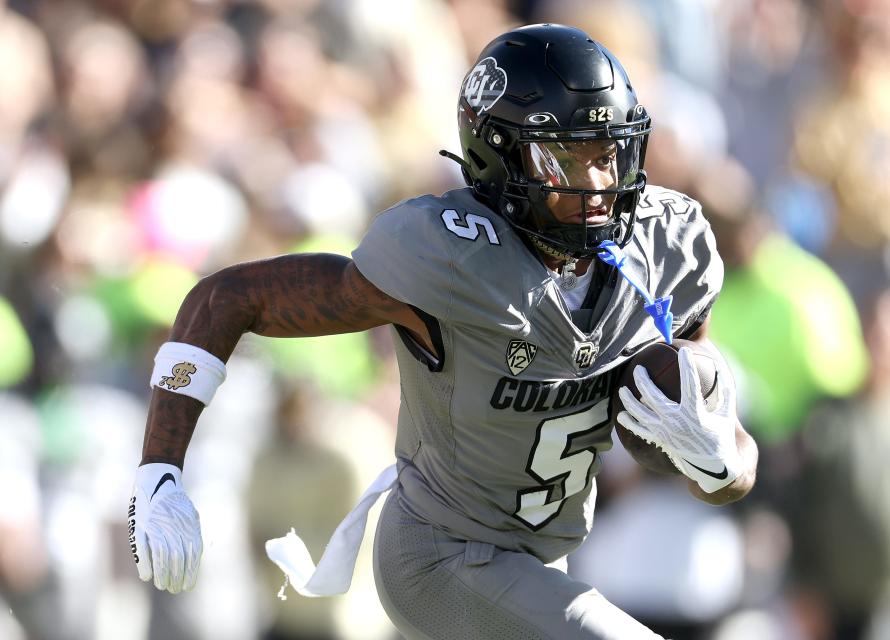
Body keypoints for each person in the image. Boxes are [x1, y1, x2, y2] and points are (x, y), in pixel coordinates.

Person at [127, 24, 758, 640]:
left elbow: (718, 451)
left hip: (543, 560)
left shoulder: (665, 246)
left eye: (610, 154)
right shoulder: (449, 255)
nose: (599, 184)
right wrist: (160, 471)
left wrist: (716, 461)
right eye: (570, 157)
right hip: (441, 555)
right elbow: (228, 297)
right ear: (499, 157)